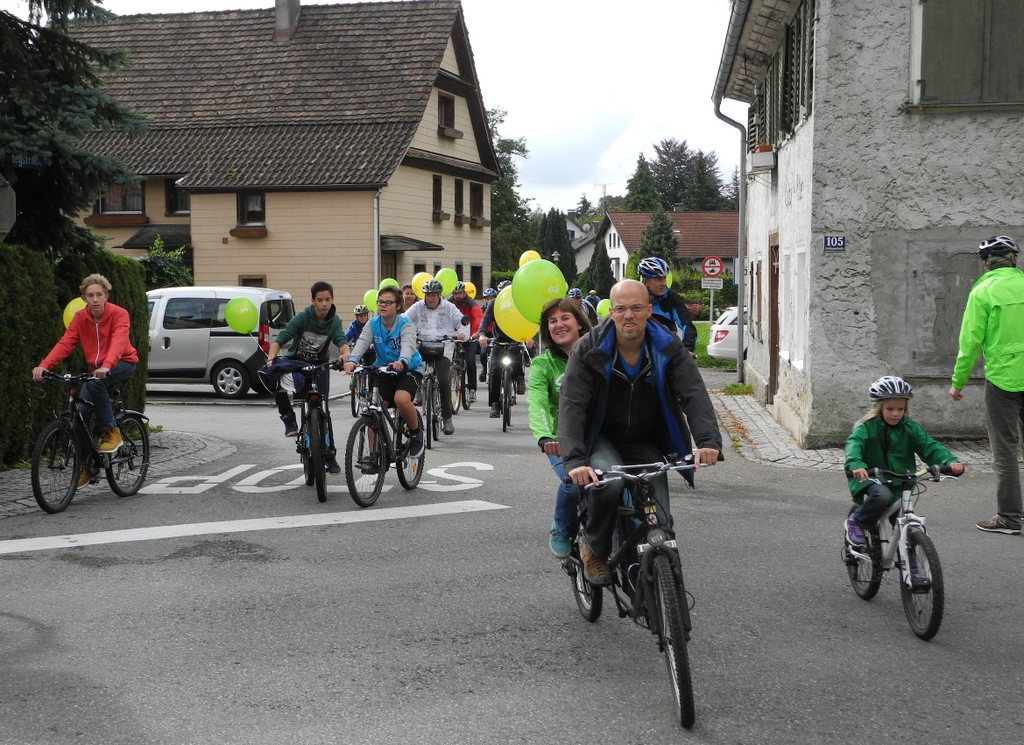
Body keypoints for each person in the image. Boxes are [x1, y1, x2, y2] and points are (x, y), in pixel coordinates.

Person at [559, 279, 722, 585]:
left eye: (636, 307)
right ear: (611, 312)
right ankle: (593, 548)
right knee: (608, 483)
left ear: (649, 310)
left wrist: (708, 441)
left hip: (646, 437)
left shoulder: (667, 347)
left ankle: (664, 587)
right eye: (620, 309)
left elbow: (694, 394)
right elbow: (573, 406)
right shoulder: (589, 349)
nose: (628, 315)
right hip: (600, 437)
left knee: (660, 520)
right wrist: (576, 461)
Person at [949, 235, 1024, 535]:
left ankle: (1008, 517)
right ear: (1013, 259)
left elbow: (969, 343)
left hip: (1002, 381)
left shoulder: (982, 291)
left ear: (985, 264)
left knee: (1005, 450)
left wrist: (958, 382)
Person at [845, 376, 964, 561]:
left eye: (900, 409)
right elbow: (854, 445)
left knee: (904, 523)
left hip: (902, 479)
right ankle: (857, 521)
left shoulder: (910, 427)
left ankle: (913, 568)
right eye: (890, 409)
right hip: (871, 477)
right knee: (882, 495)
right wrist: (857, 465)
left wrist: (949, 461)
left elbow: (929, 446)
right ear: (879, 408)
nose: (895, 413)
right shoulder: (866, 427)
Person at [33, 273, 139, 472]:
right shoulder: (80, 317)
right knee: (80, 414)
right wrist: (45, 365)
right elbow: (66, 343)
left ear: (107, 295)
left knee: (95, 383)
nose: (95, 299)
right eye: (90, 295)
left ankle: (111, 431)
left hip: (122, 363)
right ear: (84, 298)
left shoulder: (119, 314)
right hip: (96, 370)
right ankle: (87, 467)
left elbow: (119, 342)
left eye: (99, 294)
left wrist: (107, 366)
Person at [259, 281, 347, 473]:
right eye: (320, 300)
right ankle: (289, 419)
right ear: (312, 301)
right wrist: (271, 358)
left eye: (328, 300)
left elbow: (341, 341)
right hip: (297, 362)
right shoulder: (303, 317)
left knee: (323, 409)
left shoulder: (335, 321)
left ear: (332, 300)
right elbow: (281, 338)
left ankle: (330, 455)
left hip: (320, 366)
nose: (324, 304)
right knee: (275, 375)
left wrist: (345, 355)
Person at [527, 297, 591, 558]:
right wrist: (544, 436)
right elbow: (537, 402)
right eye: (552, 321)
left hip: (598, 435)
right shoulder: (542, 365)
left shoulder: (597, 355)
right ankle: (562, 528)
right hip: (559, 439)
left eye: (565, 318)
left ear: (579, 323)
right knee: (573, 482)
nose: (559, 325)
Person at [344, 284, 425, 460]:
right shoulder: (372, 324)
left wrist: (402, 361)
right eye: (380, 302)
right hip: (383, 369)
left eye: (388, 302)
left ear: (397, 306)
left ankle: (416, 432)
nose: (383, 305)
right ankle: (373, 455)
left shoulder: (405, 324)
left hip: (408, 368)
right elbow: (362, 343)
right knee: (374, 409)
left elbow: (408, 345)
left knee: (401, 399)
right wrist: (352, 360)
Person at [404, 279, 468, 435]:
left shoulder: (449, 308)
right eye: (428, 295)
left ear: (439, 295)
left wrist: (461, 334)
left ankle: (447, 418)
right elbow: (404, 319)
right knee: (410, 372)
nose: (431, 298)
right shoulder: (418, 307)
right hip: (423, 345)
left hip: (443, 347)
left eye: (434, 295)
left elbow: (463, 323)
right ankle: (417, 391)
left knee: (444, 381)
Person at [478, 280, 533, 418]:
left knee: (516, 355)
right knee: (495, 370)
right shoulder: (494, 303)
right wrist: (482, 334)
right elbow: (485, 320)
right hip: (499, 340)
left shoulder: (520, 302)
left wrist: (529, 336)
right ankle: (495, 404)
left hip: (516, 337)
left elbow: (528, 319)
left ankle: (519, 377)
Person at [637, 256, 697, 356]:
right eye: (658, 279)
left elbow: (686, 324)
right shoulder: (634, 297)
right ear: (645, 281)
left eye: (664, 278)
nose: (664, 283)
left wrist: (688, 348)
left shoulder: (671, 297)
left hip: (666, 350)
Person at [449, 281, 482, 403]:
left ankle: (472, 389)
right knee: (448, 358)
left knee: (470, 360)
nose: (457, 296)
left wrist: (476, 332)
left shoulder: (471, 303)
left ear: (464, 293)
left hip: (470, 335)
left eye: (460, 293)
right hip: (455, 335)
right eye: (455, 293)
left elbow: (477, 317)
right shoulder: (449, 303)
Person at [478, 287, 497, 382]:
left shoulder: (498, 308)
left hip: (496, 335)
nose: (489, 300)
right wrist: (481, 334)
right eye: (487, 298)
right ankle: (485, 369)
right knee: (483, 353)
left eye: (491, 298)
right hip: (486, 335)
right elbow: (482, 322)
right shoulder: (481, 310)